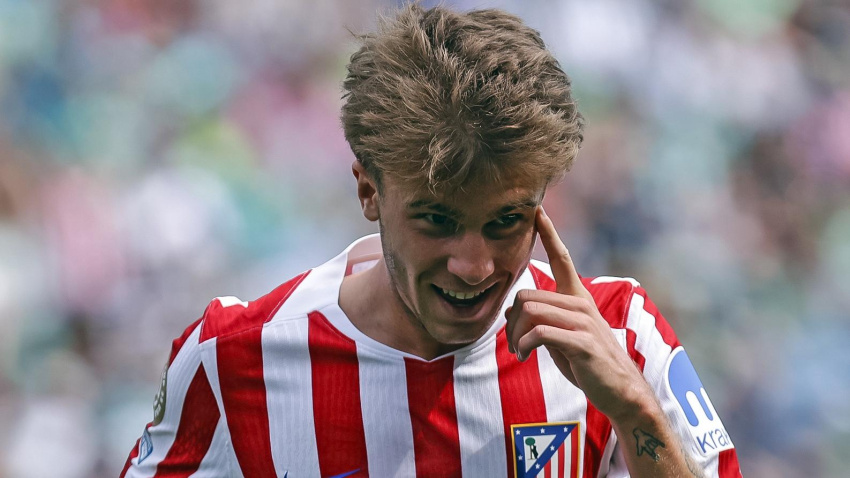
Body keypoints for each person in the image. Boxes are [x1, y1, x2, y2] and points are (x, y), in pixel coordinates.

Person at [121, 4, 742, 477]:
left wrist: (636, 413)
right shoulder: (234, 359)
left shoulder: (622, 336)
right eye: (437, 221)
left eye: (505, 222)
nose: (474, 265)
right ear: (368, 192)